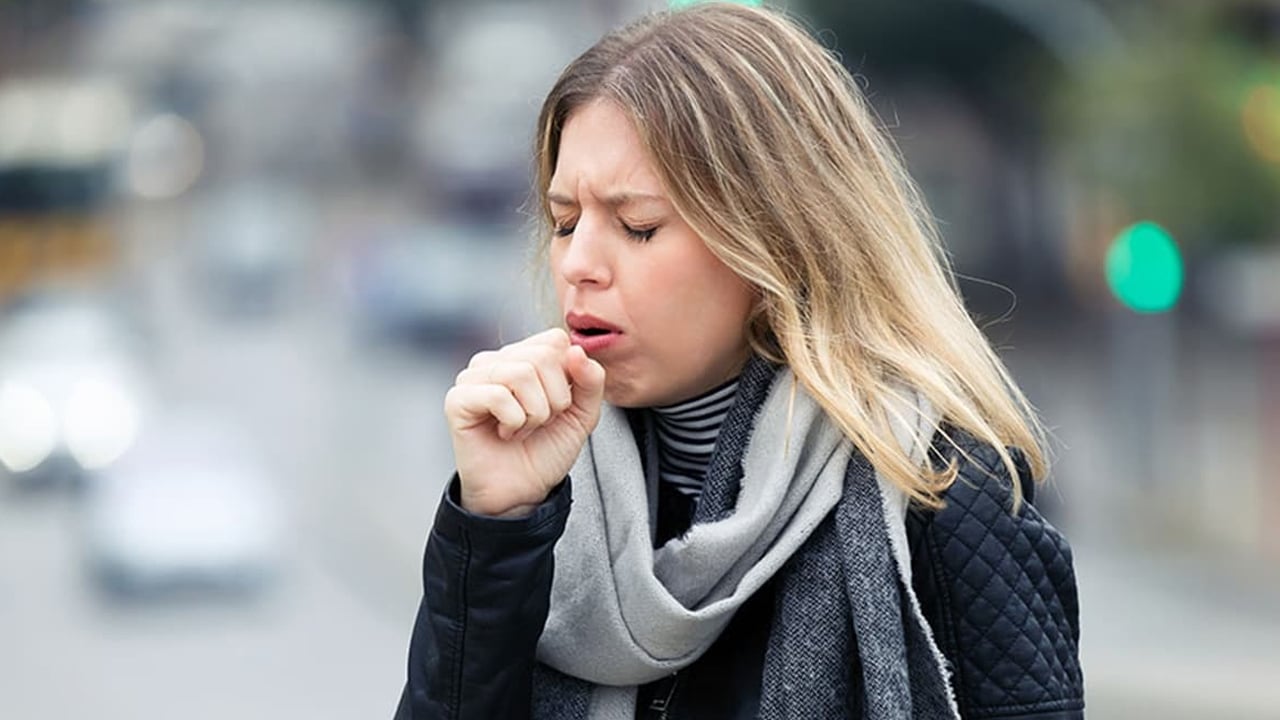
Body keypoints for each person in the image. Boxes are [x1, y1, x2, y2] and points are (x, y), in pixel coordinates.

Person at [394, 3, 1083, 718]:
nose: (579, 264)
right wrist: (495, 525)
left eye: (637, 227)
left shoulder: (944, 489)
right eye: (565, 221)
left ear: (776, 237)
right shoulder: (542, 489)